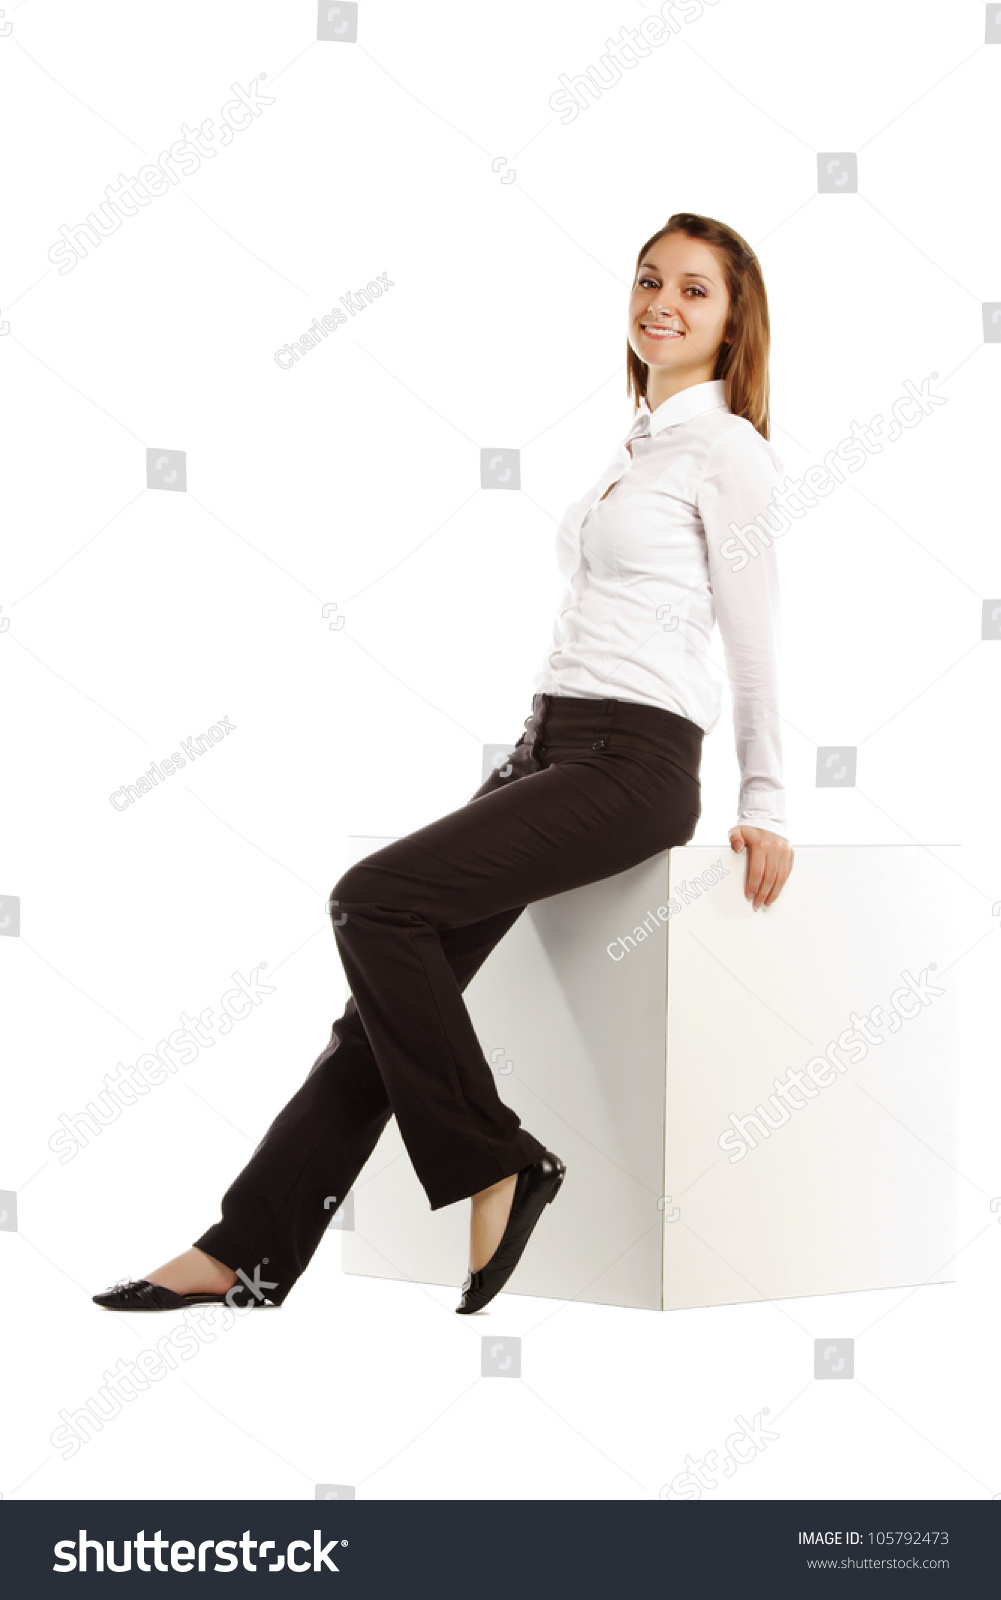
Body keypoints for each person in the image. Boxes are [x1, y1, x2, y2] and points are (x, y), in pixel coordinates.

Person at [93, 211, 794, 1319]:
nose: (660, 301)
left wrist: (764, 799)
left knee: (370, 903)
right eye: (648, 279)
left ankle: (497, 1158)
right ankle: (248, 1250)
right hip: (549, 744)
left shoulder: (728, 450)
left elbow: (752, 636)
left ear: (732, 318)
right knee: (374, 1009)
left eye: (693, 291)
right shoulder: (638, 445)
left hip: (636, 759)